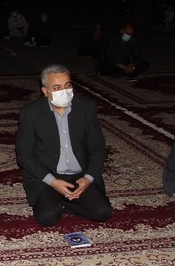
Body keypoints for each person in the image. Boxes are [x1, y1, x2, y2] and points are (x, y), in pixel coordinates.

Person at [16, 64, 113, 227]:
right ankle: (57, 202)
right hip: (48, 176)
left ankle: (65, 204)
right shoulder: (31, 113)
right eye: (57, 88)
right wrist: (53, 182)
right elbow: (24, 156)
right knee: (48, 218)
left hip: (79, 175)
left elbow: (97, 148)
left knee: (103, 212)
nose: (64, 91)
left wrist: (88, 178)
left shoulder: (86, 107)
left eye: (67, 85)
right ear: (45, 91)